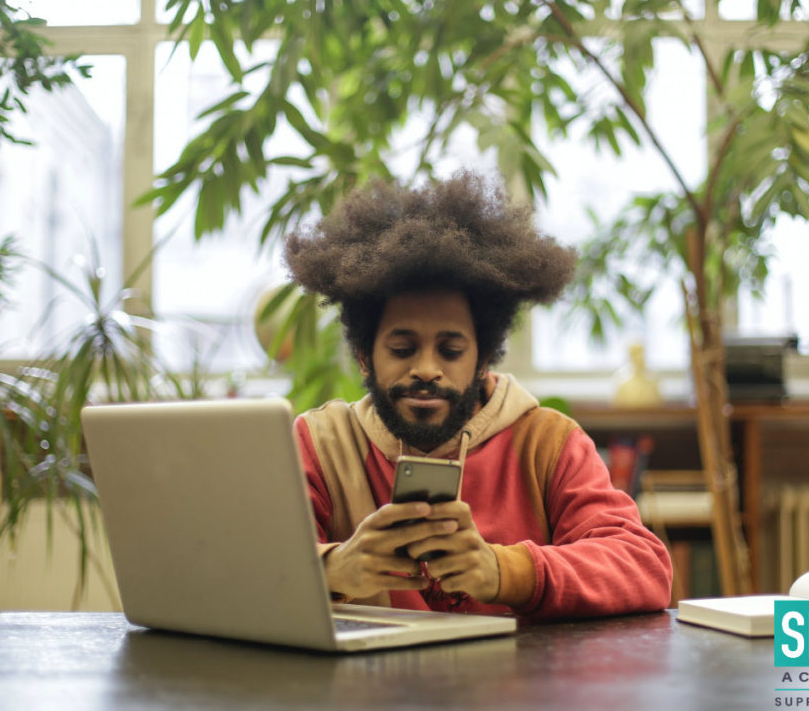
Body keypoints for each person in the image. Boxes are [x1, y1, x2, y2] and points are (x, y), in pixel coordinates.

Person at [283, 171, 672, 620]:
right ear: (364, 356)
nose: (427, 369)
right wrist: (332, 569)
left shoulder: (547, 443)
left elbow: (645, 567)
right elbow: (246, 571)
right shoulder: (320, 445)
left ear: (483, 357)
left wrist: (505, 571)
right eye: (402, 349)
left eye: (450, 350)